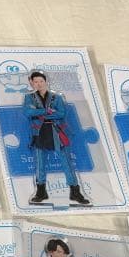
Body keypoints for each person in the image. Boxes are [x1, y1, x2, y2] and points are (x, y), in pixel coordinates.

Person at [23, 71, 90, 206]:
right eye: (35, 82)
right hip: (39, 132)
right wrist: (46, 111)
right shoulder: (29, 97)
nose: (39, 84)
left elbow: (61, 113)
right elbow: (28, 112)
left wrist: (40, 114)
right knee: (40, 163)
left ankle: (75, 192)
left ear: (46, 81)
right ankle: (41, 191)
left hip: (56, 132)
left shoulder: (56, 97)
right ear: (32, 83)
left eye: (41, 81)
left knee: (66, 162)